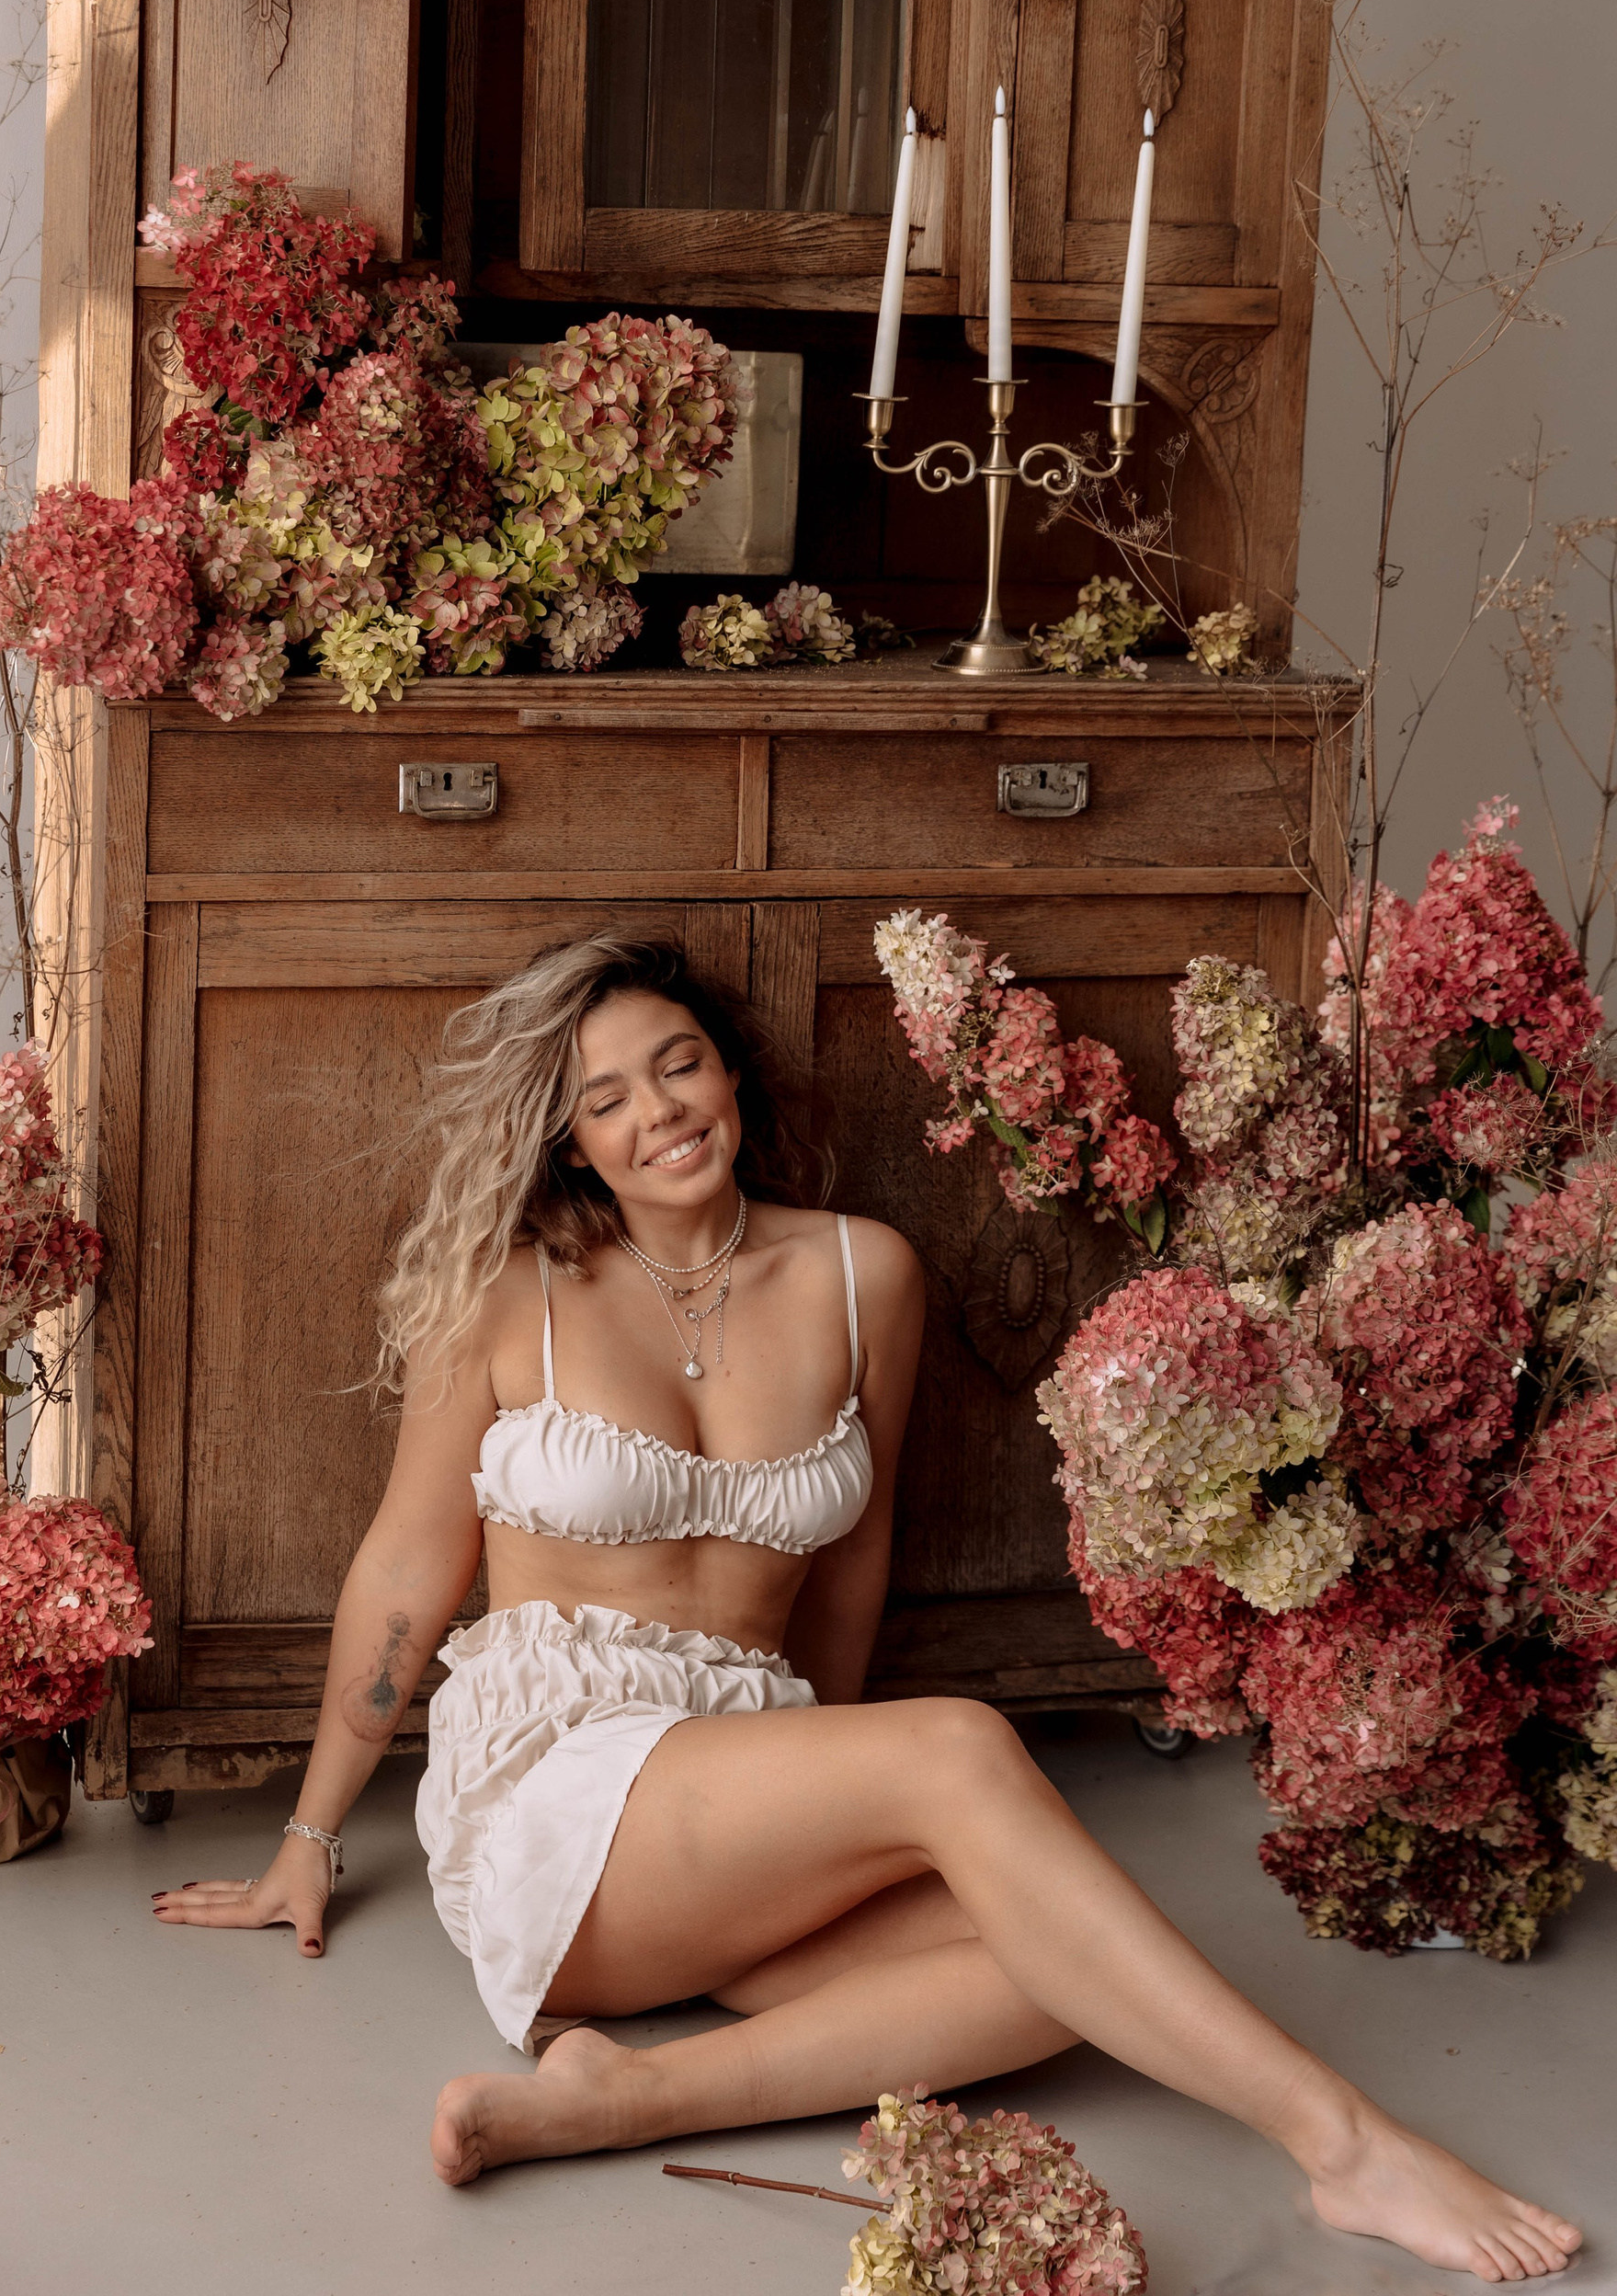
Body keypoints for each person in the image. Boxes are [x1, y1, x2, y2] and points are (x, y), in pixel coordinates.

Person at [152, 933, 1581, 2284]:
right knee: (958, 1753)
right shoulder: (506, 1297)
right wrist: (308, 1838)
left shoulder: (861, 1272)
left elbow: (852, 1566)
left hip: (729, 1788)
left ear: (730, 1072)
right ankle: (1347, 2146)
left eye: (679, 1063)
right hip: (553, 1791)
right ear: (570, 1142)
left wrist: (824, 1810)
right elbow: (406, 1571)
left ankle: (627, 2096)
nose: (659, 1111)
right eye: (607, 1098)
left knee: (1056, 1968)